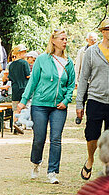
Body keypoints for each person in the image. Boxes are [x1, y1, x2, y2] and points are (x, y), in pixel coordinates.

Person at [21, 29, 75, 184]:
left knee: (56, 138)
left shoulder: (69, 62)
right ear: (53, 40)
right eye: (62, 39)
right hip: (40, 104)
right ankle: (35, 163)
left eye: (66, 39)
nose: (65, 42)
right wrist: (24, 100)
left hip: (59, 107)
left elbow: (71, 85)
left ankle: (52, 172)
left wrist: (66, 101)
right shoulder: (42, 59)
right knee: (39, 138)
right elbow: (33, 82)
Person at [76, 17, 109, 181]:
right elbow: (83, 78)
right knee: (92, 135)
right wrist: (79, 103)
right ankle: (90, 159)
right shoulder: (91, 52)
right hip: (95, 99)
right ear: (103, 32)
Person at [7, 44, 32, 133]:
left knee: (16, 109)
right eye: (24, 52)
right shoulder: (24, 63)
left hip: (15, 89)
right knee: (25, 107)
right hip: (24, 89)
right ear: (20, 53)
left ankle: (16, 124)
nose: (25, 54)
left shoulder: (11, 65)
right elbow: (28, 75)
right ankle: (24, 124)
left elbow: (10, 77)